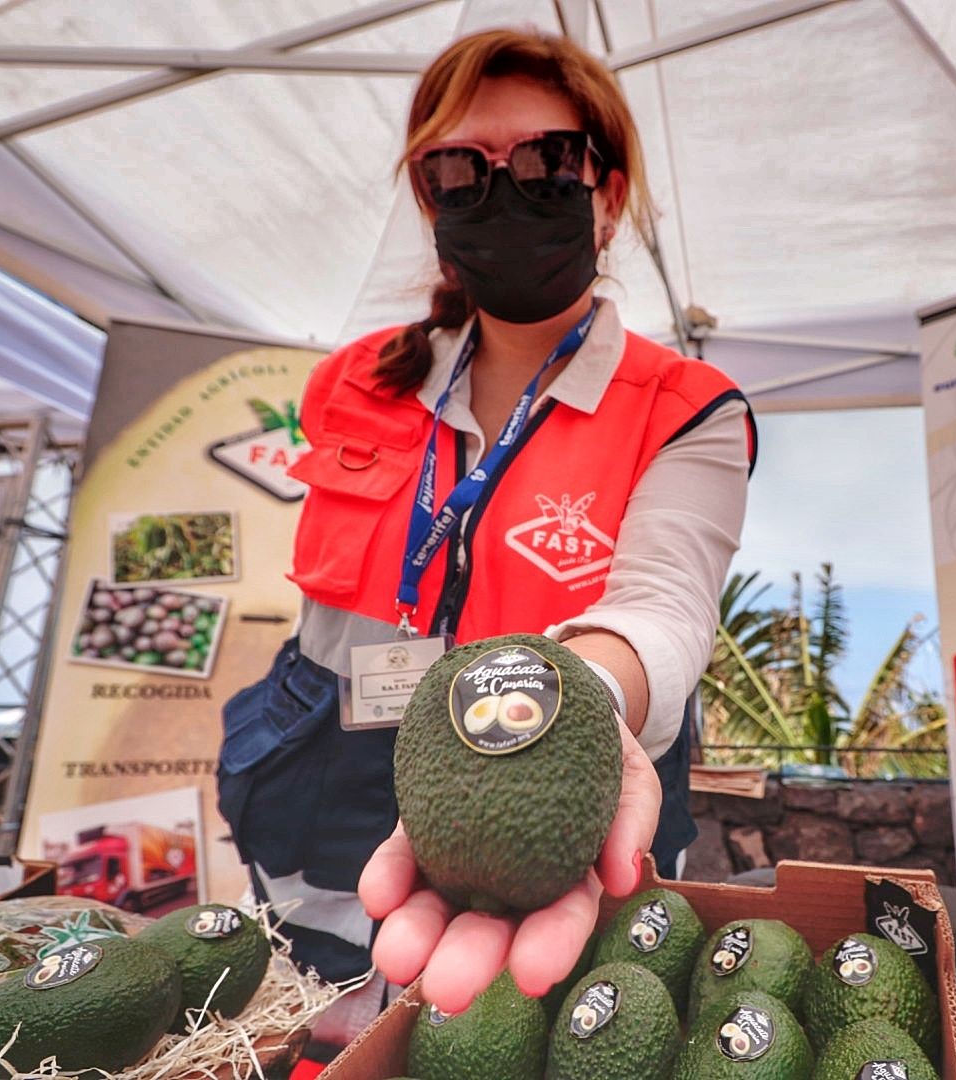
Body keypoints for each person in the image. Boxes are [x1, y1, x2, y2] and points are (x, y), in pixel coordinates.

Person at [216, 28, 755, 1022]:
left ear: (611, 186)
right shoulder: (355, 379)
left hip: (539, 796)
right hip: (323, 791)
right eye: (461, 167)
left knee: (520, 1028)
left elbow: (665, 607)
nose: (503, 191)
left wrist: (577, 708)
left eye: (548, 158)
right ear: (428, 197)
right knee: (326, 1025)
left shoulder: (686, 405)